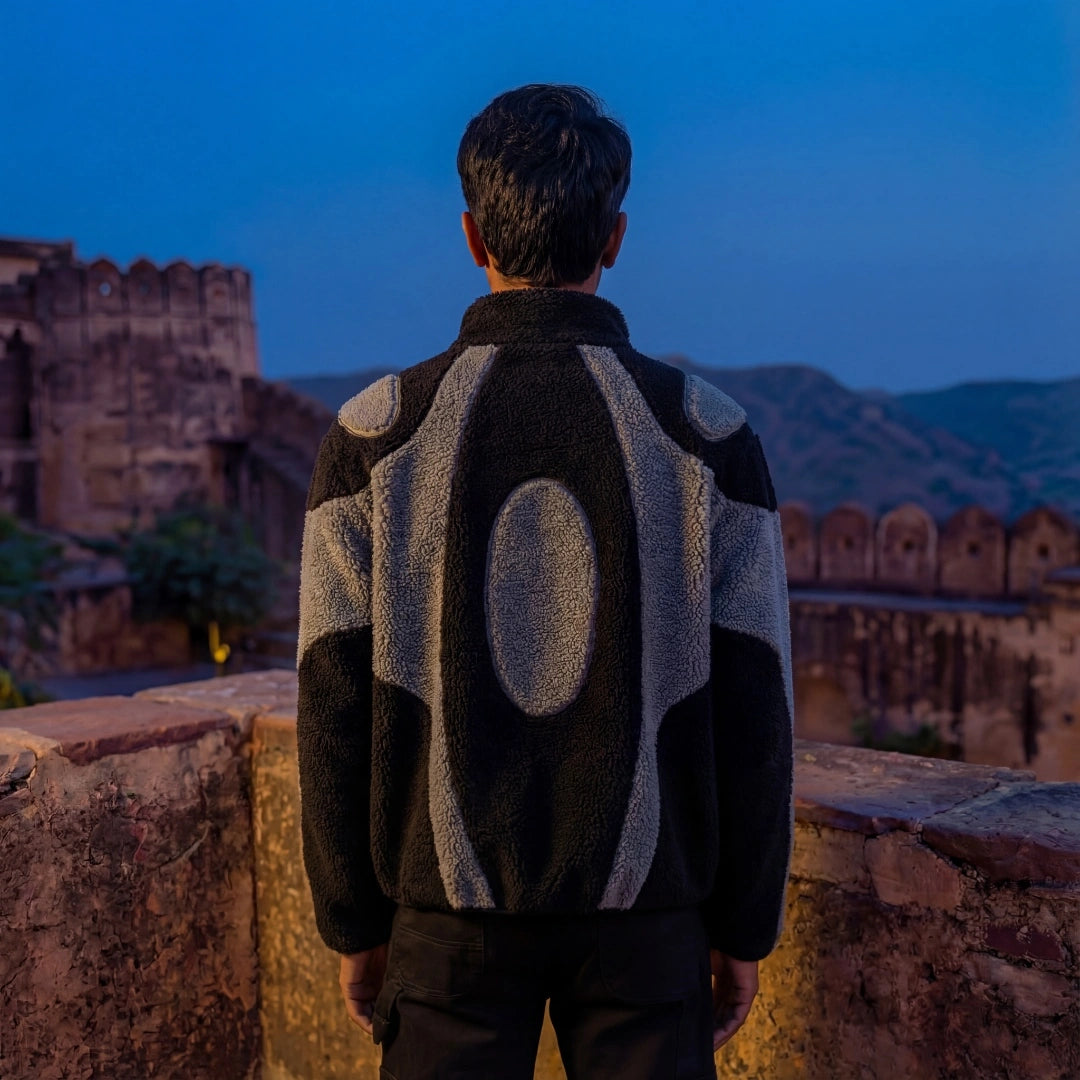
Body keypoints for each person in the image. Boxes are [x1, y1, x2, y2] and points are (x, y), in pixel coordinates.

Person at [295, 83, 795, 1079]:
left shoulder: (376, 435)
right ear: (613, 238)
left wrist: (353, 916)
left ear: (472, 232)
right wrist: (744, 926)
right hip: (651, 915)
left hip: (444, 914)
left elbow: (332, 698)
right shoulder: (707, 436)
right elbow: (756, 707)